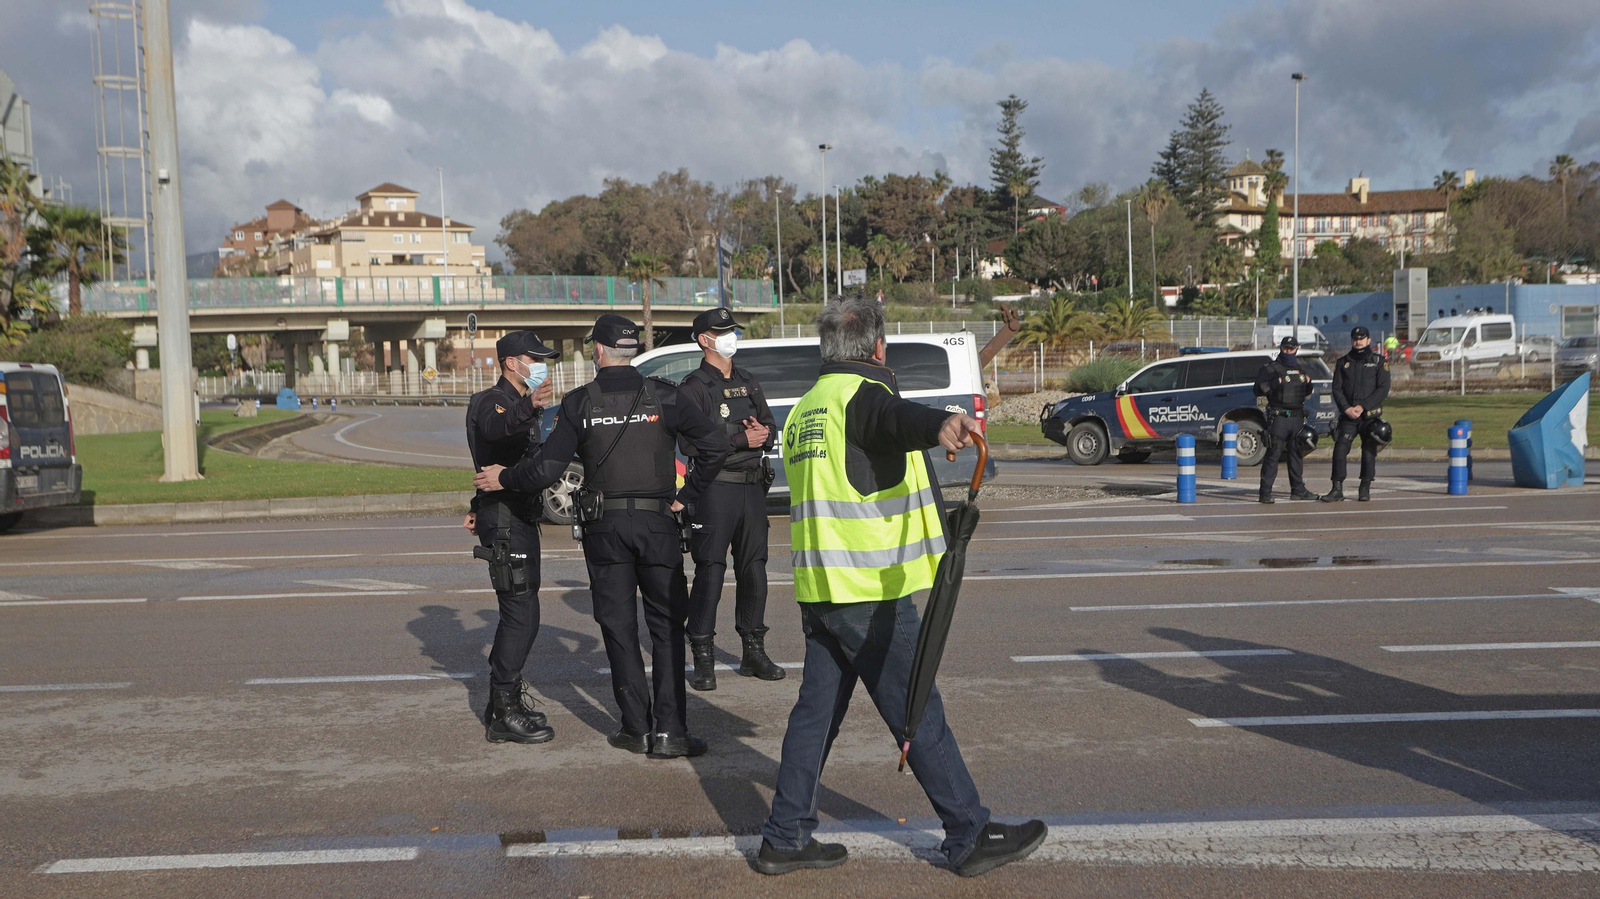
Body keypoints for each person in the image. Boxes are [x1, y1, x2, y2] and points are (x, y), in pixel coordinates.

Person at [755, 296, 1046, 878]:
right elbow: (893, 418)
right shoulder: (863, 397)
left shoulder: (809, 407)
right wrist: (939, 423)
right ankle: (968, 833)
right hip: (869, 589)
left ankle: (785, 837)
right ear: (878, 348)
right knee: (917, 707)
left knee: (814, 717)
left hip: (822, 588)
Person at [474, 314, 730, 760]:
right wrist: (685, 498)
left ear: (598, 351)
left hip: (605, 529)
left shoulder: (579, 403)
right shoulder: (666, 395)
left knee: (619, 628)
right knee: (667, 628)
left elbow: (547, 469)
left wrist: (504, 478)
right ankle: (671, 732)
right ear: (632, 350)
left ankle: (636, 729)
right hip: (658, 525)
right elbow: (716, 446)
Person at [677, 307, 783, 691]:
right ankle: (703, 657)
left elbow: (770, 427)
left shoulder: (749, 381)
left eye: (732, 330)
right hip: (715, 488)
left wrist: (763, 434)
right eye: (722, 332)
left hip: (752, 487)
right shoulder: (693, 387)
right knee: (710, 570)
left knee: (754, 569)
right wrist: (741, 439)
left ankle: (753, 651)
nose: (730, 337)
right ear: (704, 340)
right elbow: (690, 444)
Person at [464, 330, 560, 745]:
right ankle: (503, 712)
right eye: (532, 359)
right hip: (505, 521)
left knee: (525, 612)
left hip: (517, 515)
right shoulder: (492, 401)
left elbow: (502, 460)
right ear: (510, 363)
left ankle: (501, 704)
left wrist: (475, 504)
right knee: (520, 615)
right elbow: (493, 431)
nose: (539, 366)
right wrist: (528, 406)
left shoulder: (521, 405)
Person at [1321, 326, 1391, 503]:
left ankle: (1365, 487)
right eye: (1355, 339)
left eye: (1361, 338)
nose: (1358, 341)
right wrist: (1346, 408)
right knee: (1340, 449)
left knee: (1368, 451)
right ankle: (1337, 488)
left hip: (1369, 416)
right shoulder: (1343, 362)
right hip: (1349, 415)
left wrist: (1363, 406)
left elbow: (1383, 389)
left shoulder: (1378, 361)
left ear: (1368, 340)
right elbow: (1337, 388)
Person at [1253, 335, 1317, 505]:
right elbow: (1258, 389)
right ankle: (1265, 492)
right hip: (1279, 417)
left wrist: (1309, 383)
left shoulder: (1301, 369)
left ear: (1296, 349)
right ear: (1281, 348)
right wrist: (1275, 383)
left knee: (1296, 455)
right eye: (1285, 348)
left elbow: (1306, 391)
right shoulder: (1270, 369)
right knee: (1273, 454)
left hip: (1297, 417)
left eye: (1291, 348)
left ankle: (1298, 490)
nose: (1288, 351)